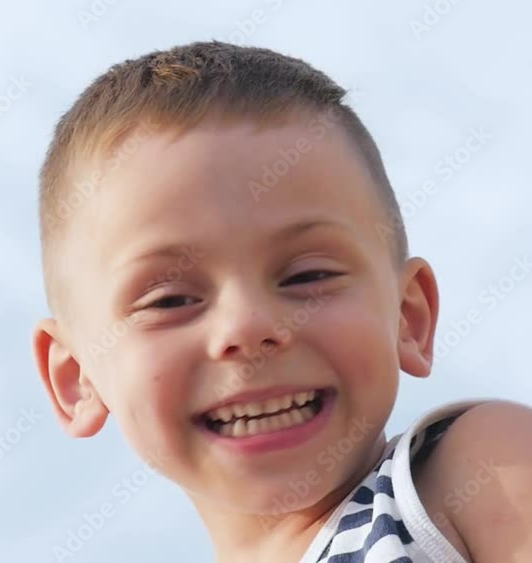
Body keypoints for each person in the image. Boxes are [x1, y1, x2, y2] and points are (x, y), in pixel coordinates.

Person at [31, 41, 532, 562]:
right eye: (171, 298)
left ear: (408, 317)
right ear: (78, 378)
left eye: (308, 275)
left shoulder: (471, 476)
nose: (248, 326)